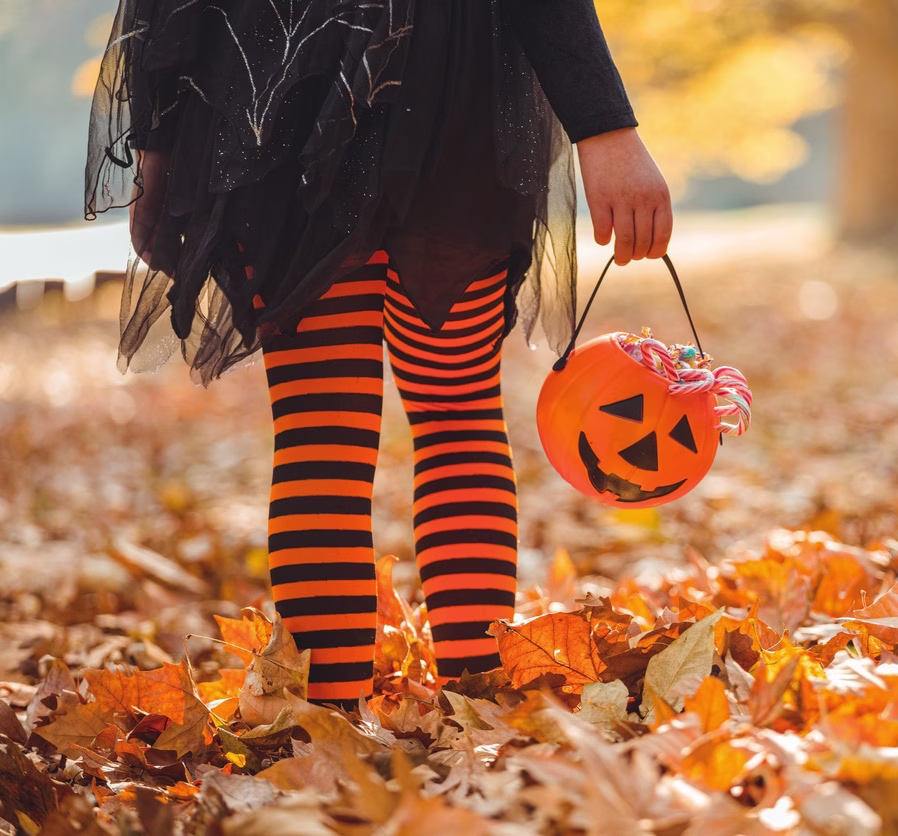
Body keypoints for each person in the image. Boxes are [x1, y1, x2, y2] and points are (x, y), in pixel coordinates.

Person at [84, 0, 671, 707]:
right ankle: (460, 703)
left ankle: (356, 720)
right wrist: (604, 124)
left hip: (306, 87)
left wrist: (161, 135)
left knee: (338, 430)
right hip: (358, 88)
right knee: (440, 417)